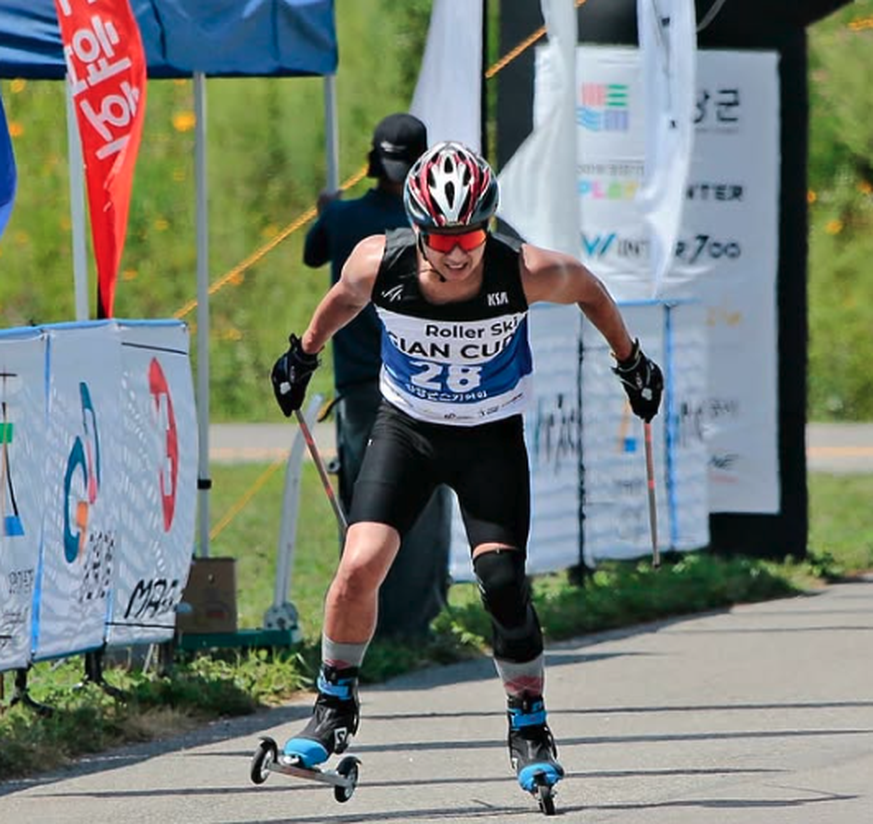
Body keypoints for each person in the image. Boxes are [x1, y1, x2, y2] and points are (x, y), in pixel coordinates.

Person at [271, 142, 663, 796]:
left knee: (501, 582)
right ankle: (333, 706)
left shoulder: (524, 269)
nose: (457, 252)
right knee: (357, 566)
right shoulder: (380, 261)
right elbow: (342, 296)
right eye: (442, 238)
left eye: (471, 234)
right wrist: (302, 355)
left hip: (488, 438)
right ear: (417, 230)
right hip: (408, 432)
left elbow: (591, 290)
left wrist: (631, 363)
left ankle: (528, 721)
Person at [302, 112, 453, 639]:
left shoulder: (343, 218)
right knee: (423, 507)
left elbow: (312, 253)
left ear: (373, 160)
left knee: (368, 510)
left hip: (361, 388)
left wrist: (327, 211)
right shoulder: (435, 230)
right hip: (423, 384)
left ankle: (367, 625)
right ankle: (414, 623)